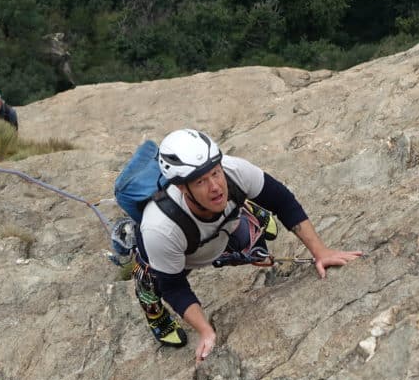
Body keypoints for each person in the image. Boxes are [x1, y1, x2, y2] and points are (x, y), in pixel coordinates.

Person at [134, 128, 364, 362]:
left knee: (256, 247)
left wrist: (321, 252)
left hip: (223, 229)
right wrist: (205, 330)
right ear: (182, 188)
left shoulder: (235, 173)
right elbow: (175, 287)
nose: (215, 186)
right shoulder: (160, 228)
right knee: (153, 283)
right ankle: (150, 303)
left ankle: (244, 207)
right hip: (179, 251)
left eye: (215, 173)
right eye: (201, 181)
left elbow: (282, 201)